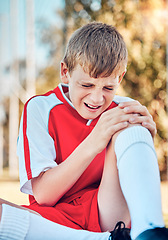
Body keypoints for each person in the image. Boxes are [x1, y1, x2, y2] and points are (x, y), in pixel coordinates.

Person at [0, 22, 167, 240]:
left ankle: (151, 229)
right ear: (65, 72)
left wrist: (143, 141)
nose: (97, 99)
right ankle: (106, 239)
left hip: (107, 213)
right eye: (87, 85)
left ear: (120, 78)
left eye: (108, 88)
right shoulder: (40, 108)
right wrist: (95, 140)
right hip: (54, 221)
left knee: (131, 119)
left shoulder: (121, 108)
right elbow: (44, 196)